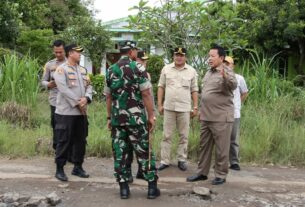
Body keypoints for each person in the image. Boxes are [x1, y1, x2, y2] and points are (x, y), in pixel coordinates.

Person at [104, 40, 160, 199]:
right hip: (136, 120)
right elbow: (146, 94)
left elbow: (108, 97)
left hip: (117, 120)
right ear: (131, 52)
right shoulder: (139, 68)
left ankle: (124, 189)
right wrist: (151, 115)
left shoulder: (110, 70)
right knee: (144, 152)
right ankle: (151, 189)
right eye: (135, 50)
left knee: (120, 153)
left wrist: (109, 117)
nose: (136, 52)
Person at [187, 45, 237, 185]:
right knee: (204, 147)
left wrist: (226, 77)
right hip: (206, 116)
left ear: (221, 58)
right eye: (209, 56)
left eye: (212, 56)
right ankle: (202, 173)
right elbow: (207, 95)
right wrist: (201, 110)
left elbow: (232, 85)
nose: (209, 59)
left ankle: (221, 175)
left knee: (222, 148)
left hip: (221, 118)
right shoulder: (209, 72)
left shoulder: (227, 71)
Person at [53, 44, 92, 182]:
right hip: (66, 113)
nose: (80, 54)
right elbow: (63, 89)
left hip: (81, 114)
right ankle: (60, 169)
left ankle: (78, 167)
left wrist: (86, 98)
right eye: (78, 52)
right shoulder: (61, 70)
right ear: (70, 53)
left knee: (81, 141)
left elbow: (89, 86)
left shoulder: (83, 70)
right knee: (64, 140)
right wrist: (77, 103)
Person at [157, 47, 198, 171]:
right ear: (173, 56)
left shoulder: (191, 71)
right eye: (177, 55)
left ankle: (182, 159)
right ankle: (165, 161)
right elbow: (161, 87)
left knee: (183, 135)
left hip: (184, 108)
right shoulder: (166, 69)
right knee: (166, 135)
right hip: (169, 107)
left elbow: (194, 89)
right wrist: (159, 104)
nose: (179, 57)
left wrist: (195, 106)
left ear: (185, 57)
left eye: (181, 55)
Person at [126, 49, 153, 182]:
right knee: (131, 145)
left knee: (142, 145)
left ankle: (141, 171)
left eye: (145, 60)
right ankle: (129, 172)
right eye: (141, 60)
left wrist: (151, 114)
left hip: (144, 113)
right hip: (134, 115)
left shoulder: (146, 74)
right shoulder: (134, 72)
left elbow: (150, 97)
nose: (144, 63)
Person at [224, 56, 248, 171]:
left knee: (233, 138)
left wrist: (237, 104)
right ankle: (221, 162)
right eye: (224, 63)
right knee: (221, 139)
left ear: (233, 65)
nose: (226, 65)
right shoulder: (219, 77)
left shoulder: (239, 78)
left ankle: (234, 162)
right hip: (221, 114)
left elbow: (244, 93)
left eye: (228, 64)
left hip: (234, 113)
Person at [41, 40, 66, 150]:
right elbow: (43, 81)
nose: (58, 54)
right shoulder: (49, 64)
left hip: (67, 101)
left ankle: (67, 149)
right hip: (54, 100)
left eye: (60, 52)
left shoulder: (71, 63)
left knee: (67, 126)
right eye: (56, 52)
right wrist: (48, 84)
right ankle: (57, 149)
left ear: (65, 51)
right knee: (56, 125)